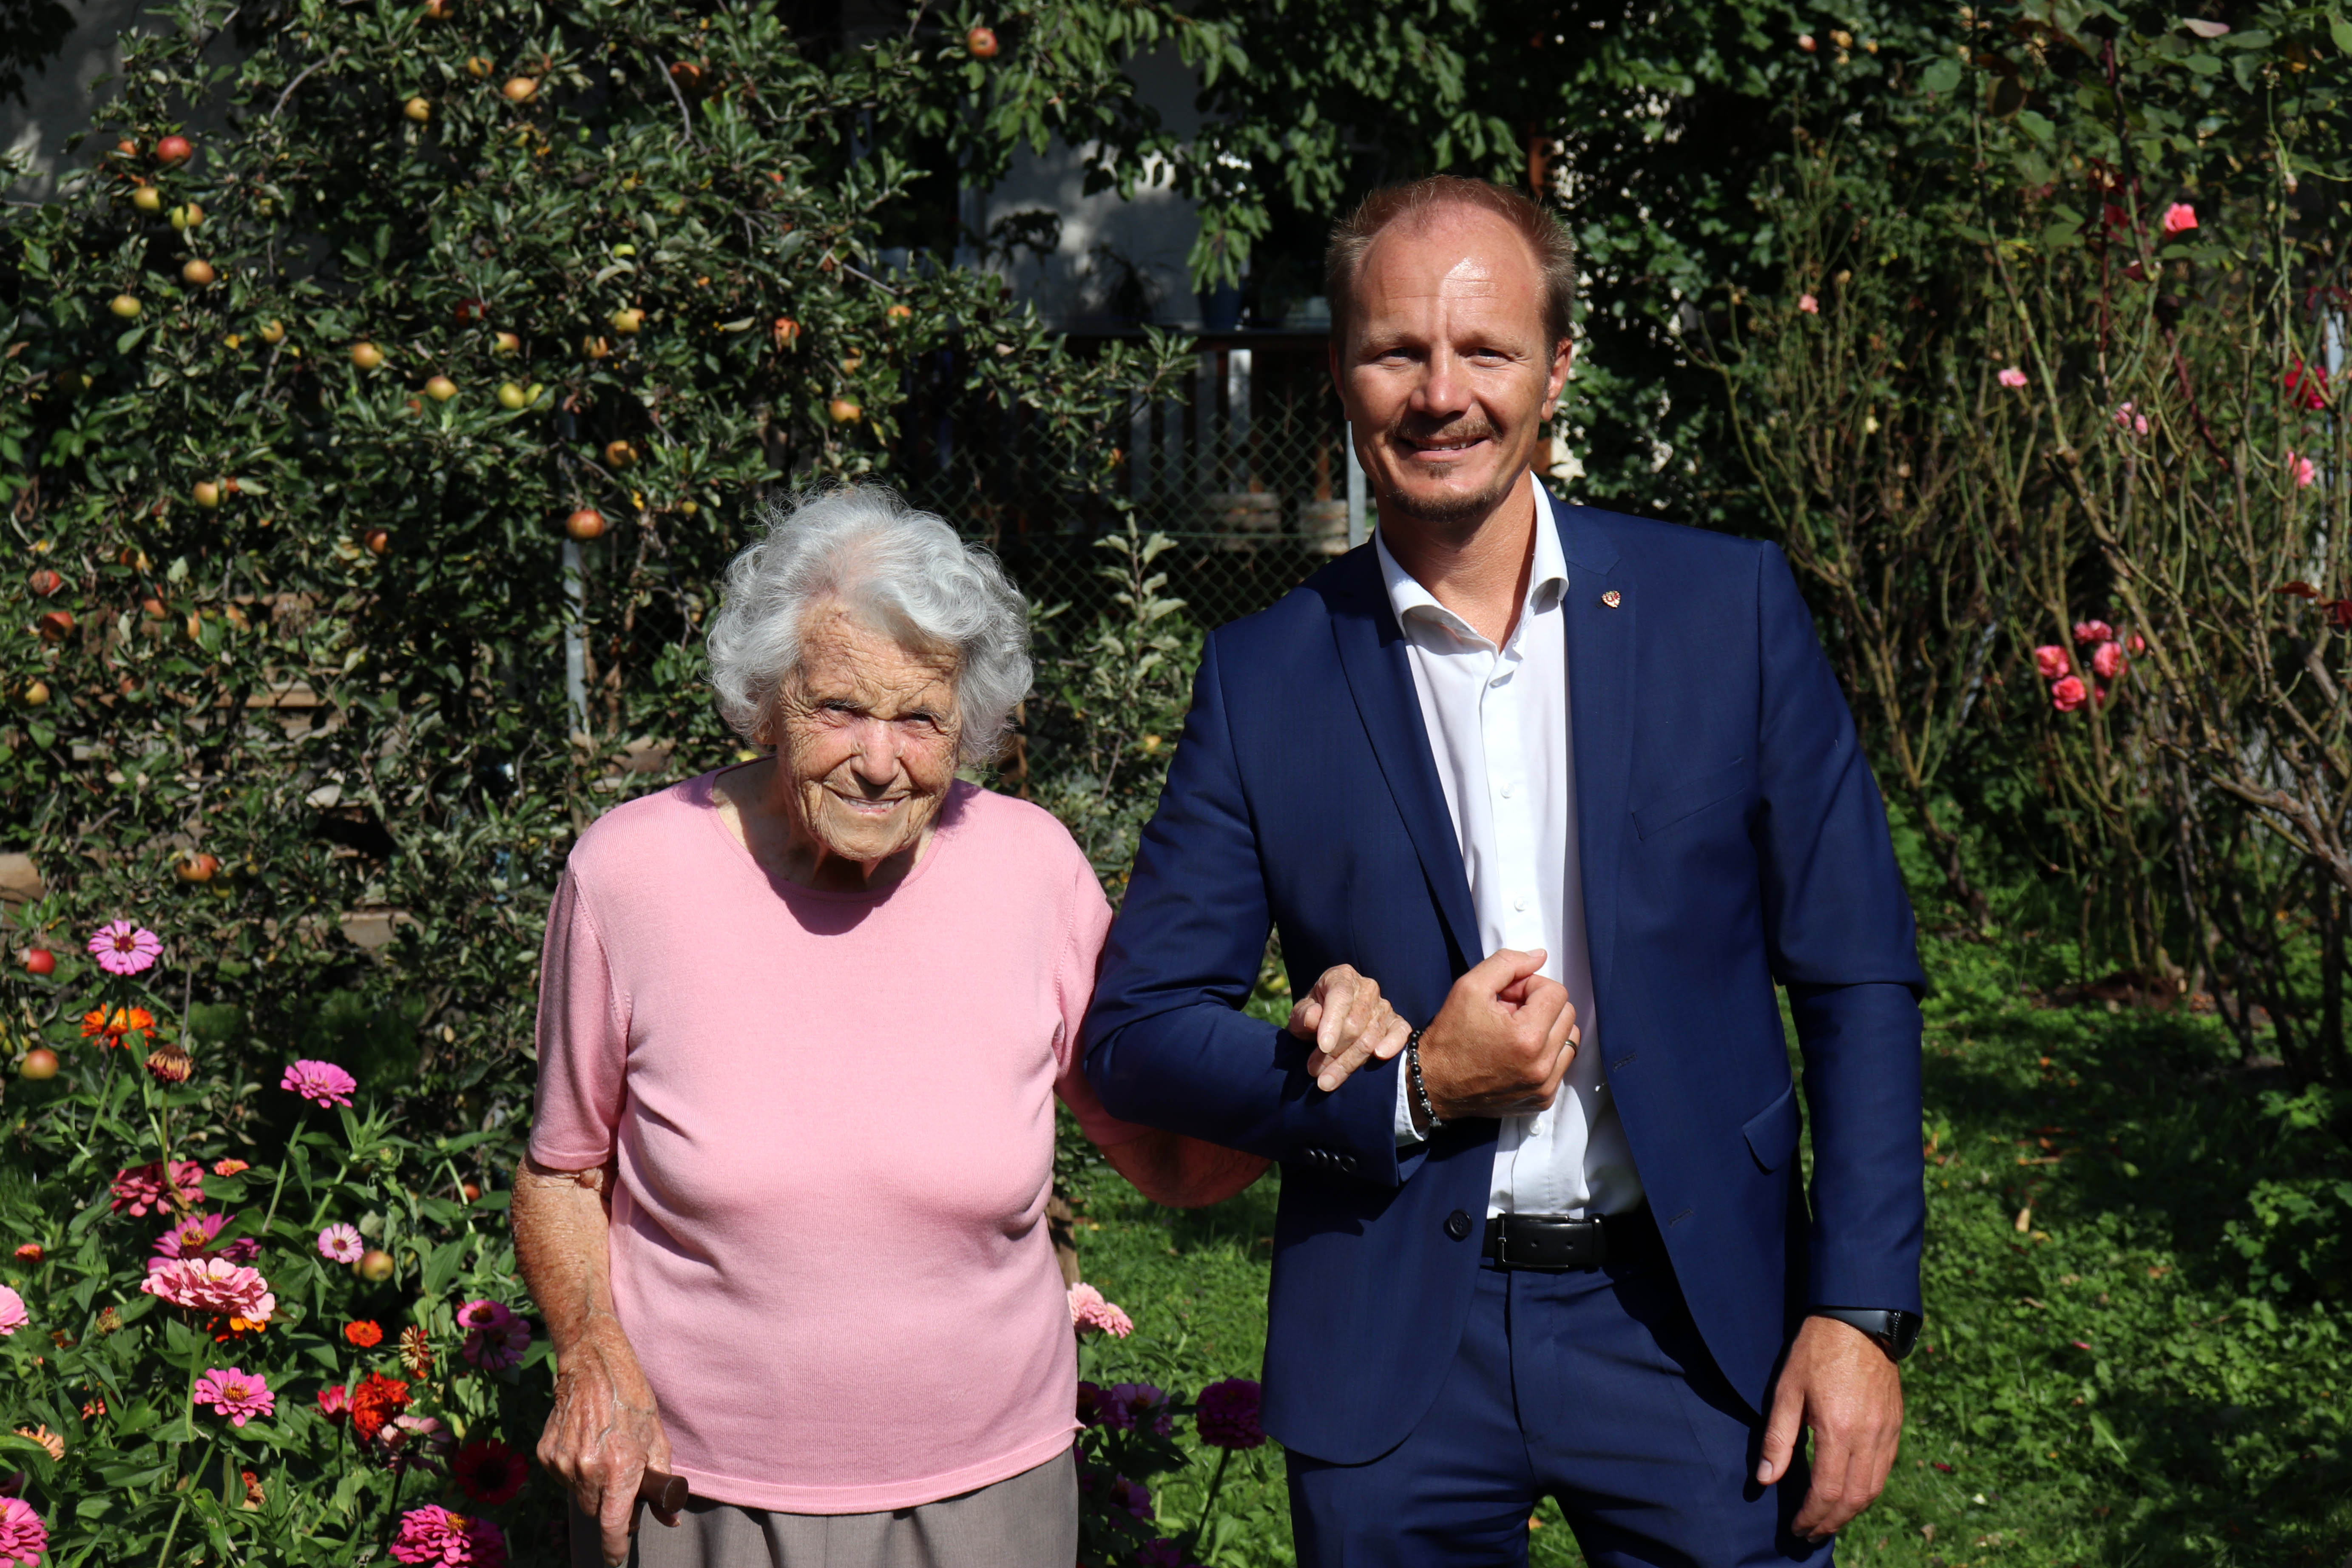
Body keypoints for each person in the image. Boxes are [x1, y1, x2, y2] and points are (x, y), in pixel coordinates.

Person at [1085, 175, 1926, 1565]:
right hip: (1400, 1338)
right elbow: (1137, 1036)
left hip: (1697, 1323)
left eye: (1485, 350)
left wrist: (1860, 1309)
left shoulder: (1728, 611)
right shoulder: (1265, 676)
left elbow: (1858, 974)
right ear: (1340, 370)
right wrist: (1409, 1089)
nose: (1440, 392)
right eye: (1393, 349)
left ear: (1556, 369)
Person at [514, 488, 1265, 1568]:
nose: (879, 758)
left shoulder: (1031, 869)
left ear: (971, 723)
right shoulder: (632, 872)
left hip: (987, 1497)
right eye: (837, 709)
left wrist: (1334, 1080)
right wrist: (592, 1356)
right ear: (768, 700)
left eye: (919, 718)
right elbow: (562, 1169)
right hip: (691, 1487)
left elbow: (1157, 1145)